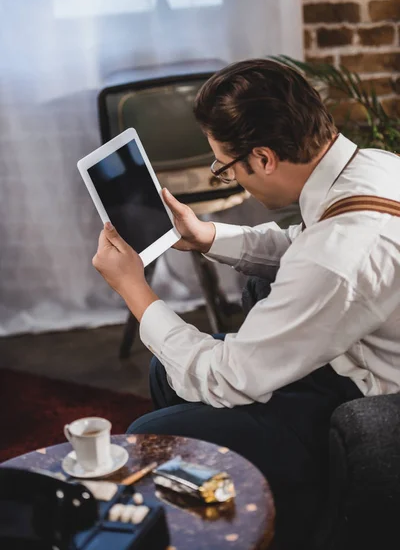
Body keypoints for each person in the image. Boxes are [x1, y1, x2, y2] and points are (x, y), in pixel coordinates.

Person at [92, 59, 400, 549]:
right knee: (163, 371)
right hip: (351, 350)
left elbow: (227, 377)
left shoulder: (338, 258)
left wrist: (135, 290)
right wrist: (207, 234)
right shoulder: (374, 166)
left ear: (263, 158)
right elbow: (305, 241)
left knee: (151, 436)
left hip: (365, 393)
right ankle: (220, 520)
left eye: (224, 167)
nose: (228, 177)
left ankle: (247, 525)